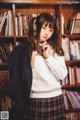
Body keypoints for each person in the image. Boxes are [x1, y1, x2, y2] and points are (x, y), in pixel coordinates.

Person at [8, 13, 68, 120]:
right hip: (35, 99)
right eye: (44, 28)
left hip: (55, 97)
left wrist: (48, 58)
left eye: (51, 30)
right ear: (36, 26)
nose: (47, 33)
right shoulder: (25, 50)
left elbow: (62, 75)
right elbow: (20, 78)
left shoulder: (56, 49)